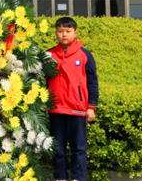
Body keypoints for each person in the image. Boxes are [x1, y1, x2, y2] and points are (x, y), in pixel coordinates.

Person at [46, 17, 99, 181]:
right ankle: (60, 177)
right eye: (60, 31)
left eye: (68, 31)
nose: (64, 34)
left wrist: (91, 107)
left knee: (79, 148)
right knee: (58, 148)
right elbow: (42, 80)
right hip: (56, 109)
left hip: (77, 109)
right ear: (56, 33)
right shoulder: (48, 55)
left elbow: (92, 81)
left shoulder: (84, 54)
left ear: (75, 33)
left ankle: (78, 177)